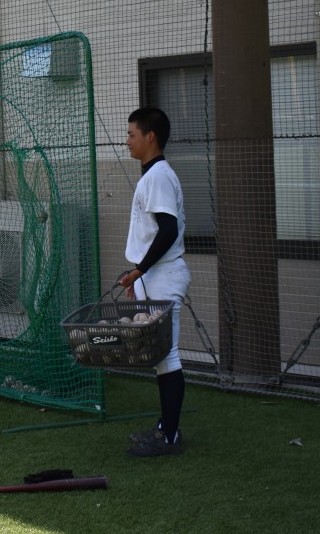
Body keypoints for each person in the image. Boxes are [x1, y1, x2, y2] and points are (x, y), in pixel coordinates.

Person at [119, 107, 190, 457]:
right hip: (155, 274)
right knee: (160, 355)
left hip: (162, 274)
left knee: (167, 355)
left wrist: (140, 270)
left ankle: (170, 437)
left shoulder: (159, 175)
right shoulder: (153, 175)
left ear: (150, 137)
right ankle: (166, 428)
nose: (127, 140)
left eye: (132, 134)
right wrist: (140, 273)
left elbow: (168, 229)